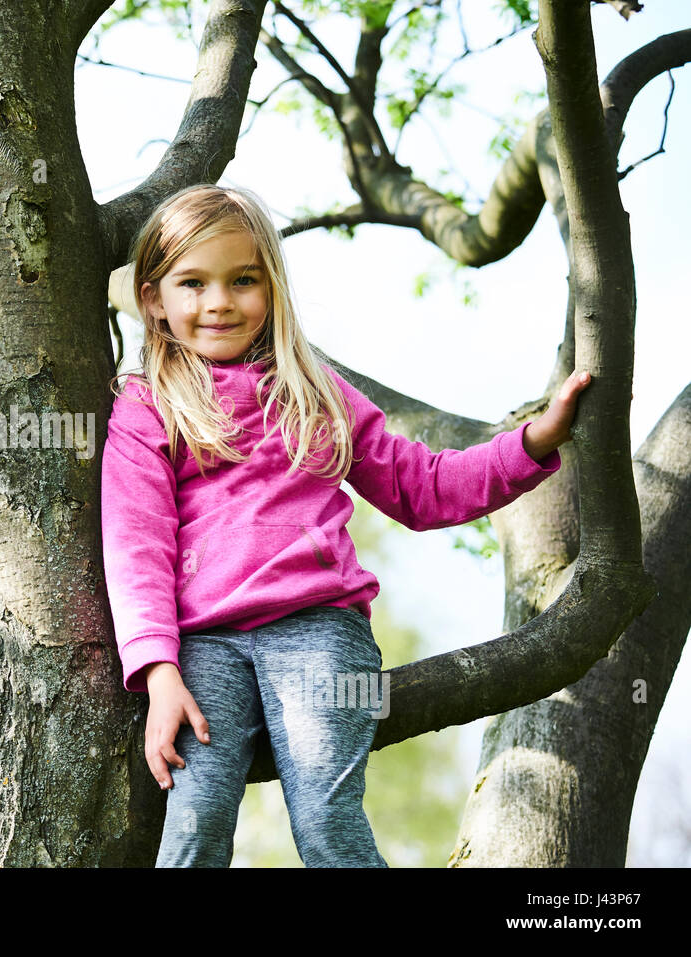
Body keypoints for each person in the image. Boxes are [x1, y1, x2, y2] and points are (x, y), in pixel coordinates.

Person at [100, 183, 590, 868]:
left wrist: (532, 444)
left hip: (318, 632)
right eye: (193, 282)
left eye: (243, 279)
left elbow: (421, 486)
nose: (218, 301)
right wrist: (158, 671)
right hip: (203, 648)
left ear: (272, 287)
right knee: (193, 825)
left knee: (326, 819)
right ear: (153, 298)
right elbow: (136, 546)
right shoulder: (148, 407)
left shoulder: (315, 392)